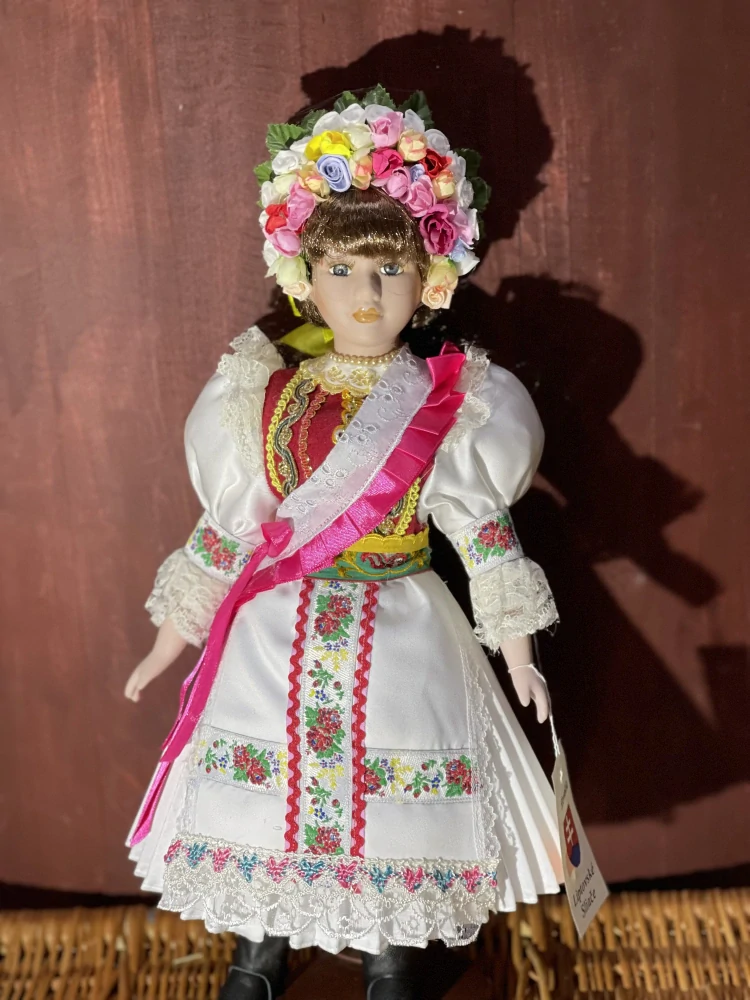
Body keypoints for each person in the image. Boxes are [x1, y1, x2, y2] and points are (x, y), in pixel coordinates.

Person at [124, 87, 562, 1000]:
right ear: (305, 277)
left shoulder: (453, 402)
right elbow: (230, 529)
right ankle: (258, 954)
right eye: (342, 269)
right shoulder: (263, 394)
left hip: (404, 626)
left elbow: (483, 535)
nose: (366, 296)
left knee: (393, 803)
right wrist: (171, 637)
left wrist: (518, 651)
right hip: (274, 633)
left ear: (430, 279)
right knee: (266, 795)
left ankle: (392, 960)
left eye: (390, 270)